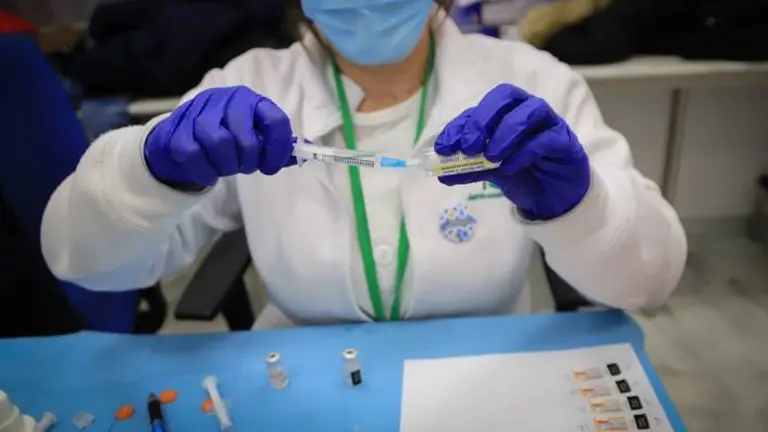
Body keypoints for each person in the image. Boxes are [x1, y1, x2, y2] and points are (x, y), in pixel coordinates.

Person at [42, 0, 687, 329]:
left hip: (486, 378)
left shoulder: (532, 82)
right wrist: (147, 176)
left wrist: (581, 210)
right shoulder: (248, 87)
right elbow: (84, 262)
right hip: (304, 382)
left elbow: (650, 281)